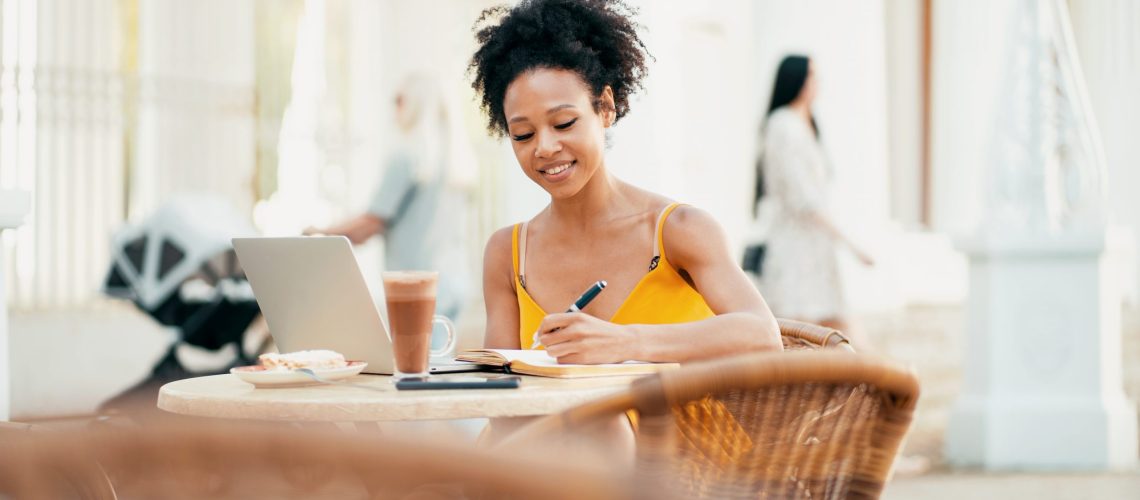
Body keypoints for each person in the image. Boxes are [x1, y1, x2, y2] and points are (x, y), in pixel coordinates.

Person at [471, 0, 782, 366]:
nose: (545, 147)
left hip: (664, 423)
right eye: (522, 134)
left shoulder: (676, 231)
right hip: (554, 424)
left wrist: (627, 342)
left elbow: (762, 335)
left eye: (564, 123)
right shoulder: (508, 254)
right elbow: (501, 390)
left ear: (605, 107)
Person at [308, 72, 475, 321]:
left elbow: (372, 222)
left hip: (415, 288)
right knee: (441, 360)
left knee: (414, 361)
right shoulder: (457, 163)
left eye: (399, 99)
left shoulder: (408, 158)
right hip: (454, 284)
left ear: (416, 104)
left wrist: (319, 233)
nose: (394, 108)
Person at [752, 55, 873, 335]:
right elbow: (803, 198)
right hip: (795, 248)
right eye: (810, 76)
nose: (817, 83)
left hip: (817, 246)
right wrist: (851, 245)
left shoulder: (807, 124)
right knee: (802, 331)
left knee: (836, 331)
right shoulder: (783, 125)